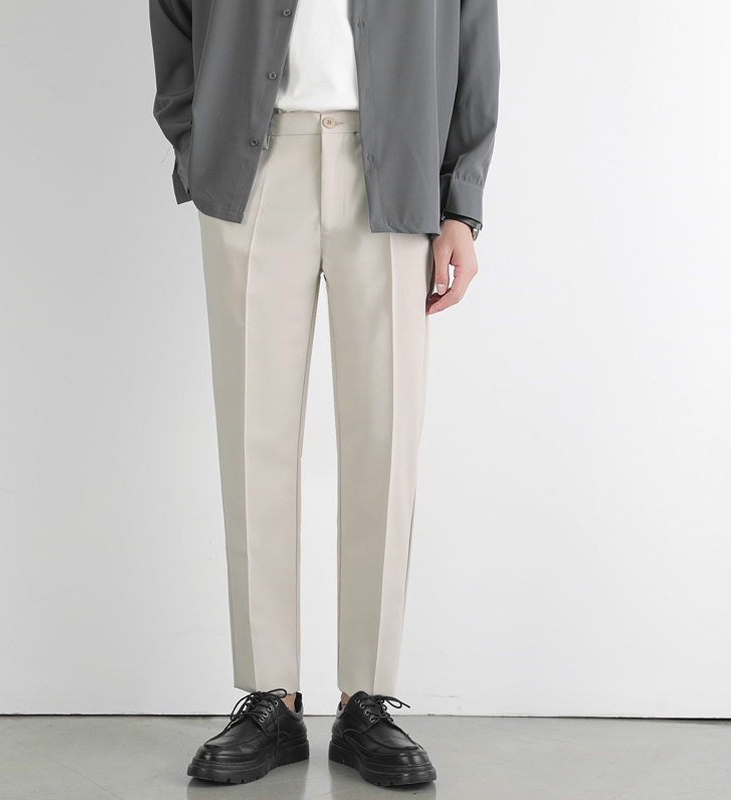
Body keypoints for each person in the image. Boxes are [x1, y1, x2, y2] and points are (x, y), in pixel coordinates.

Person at [148, 0, 500, 787]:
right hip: (253, 157)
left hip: (397, 158)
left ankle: (365, 698)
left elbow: (472, 26)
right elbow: (172, 13)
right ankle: (269, 696)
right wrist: (196, 142)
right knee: (254, 433)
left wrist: (461, 202)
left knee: (385, 434)